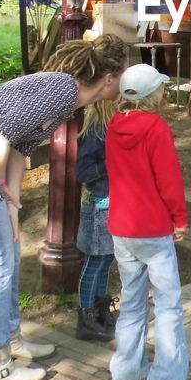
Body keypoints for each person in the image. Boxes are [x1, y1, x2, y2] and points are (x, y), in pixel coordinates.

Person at [0, 35, 126, 380]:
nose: (125, 82)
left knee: (8, 255)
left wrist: (12, 202)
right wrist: (1, 188)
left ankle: (12, 340)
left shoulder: (68, 100)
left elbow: (19, 146)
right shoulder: (64, 89)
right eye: (122, 75)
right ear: (108, 78)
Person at [106, 62, 191, 380]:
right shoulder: (156, 128)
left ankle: (124, 378)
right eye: (160, 89)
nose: (164, 93)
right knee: (169, 306)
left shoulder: (114, 126)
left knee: (132, 303)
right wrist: (180, 218)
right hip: (152, 229)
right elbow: (168, 178)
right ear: (151, 96)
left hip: (121, 228)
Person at [75, 99, 118, 342]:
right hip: (97, 204)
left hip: (110, 203)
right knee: (94, 261)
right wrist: (111, 161)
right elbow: (83, 171)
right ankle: (86, 316)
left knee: (105, 259)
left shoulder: (108, 128)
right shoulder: (95, 131)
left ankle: (101, 309)